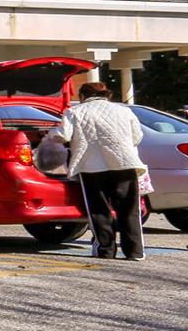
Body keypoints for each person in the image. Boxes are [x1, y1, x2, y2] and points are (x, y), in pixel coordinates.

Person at [56, 80, 147, 260]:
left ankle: (105, 250)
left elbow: (62, 135)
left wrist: (49, 138)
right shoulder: (124, 110)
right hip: (124, 164)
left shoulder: (74, 112)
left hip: (91, 167)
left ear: (82, 96)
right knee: (129, 209)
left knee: (99, 210)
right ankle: (135, 251)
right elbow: (137, 136)